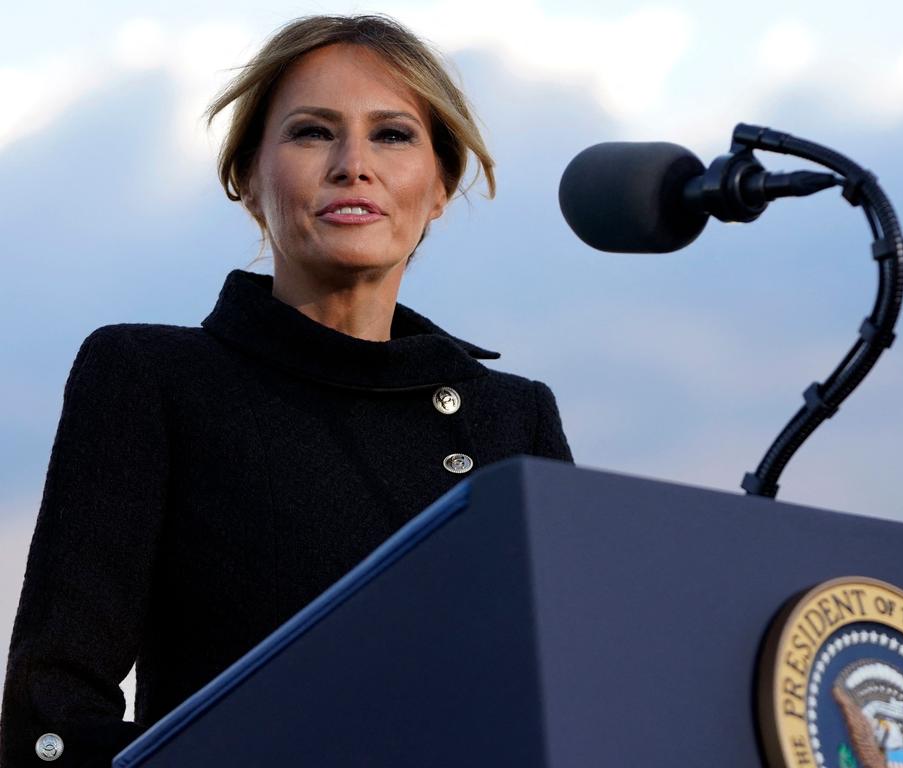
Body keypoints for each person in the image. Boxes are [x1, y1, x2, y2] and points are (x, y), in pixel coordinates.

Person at [0, 14, 572, 767]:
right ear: (246, 178)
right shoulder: (150, 376)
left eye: (393, 135)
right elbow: (53, 716)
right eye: (311, 132)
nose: (352, 164)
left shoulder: (514, 418)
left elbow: (574, 691)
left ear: (440, 185)